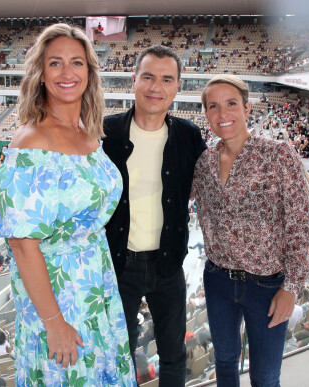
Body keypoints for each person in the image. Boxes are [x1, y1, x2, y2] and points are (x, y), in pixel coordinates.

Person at [0, 23, 134, 386]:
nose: (67, 72)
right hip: (58, 298)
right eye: (55, 63)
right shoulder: (31, 141)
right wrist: (54, 323)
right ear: (41, 73)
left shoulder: (87, 130)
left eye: (77, 62)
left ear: (89, 71)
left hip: (95, 287)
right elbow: (23, 244)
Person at [192, 74, 309, 386]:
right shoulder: (204, 162)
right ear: (205, 114)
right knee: (225, 363)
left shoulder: (278, 154)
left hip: (268, 286)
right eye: (213, 106)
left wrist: (292, 288)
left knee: (266, 376)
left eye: (231, 103)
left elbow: (299, 225)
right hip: (218, 281)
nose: (222, 114)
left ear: (247, 108)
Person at [103, 45, 207, 385]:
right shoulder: (105, 133)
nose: (155, 87)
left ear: (178, 87)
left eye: (166, 79)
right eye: (147, 77)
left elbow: (212, 190)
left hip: (168, 266)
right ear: (133, 80)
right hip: (119, 266)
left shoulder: (189, 136)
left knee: (174, 356)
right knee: (120, 355)